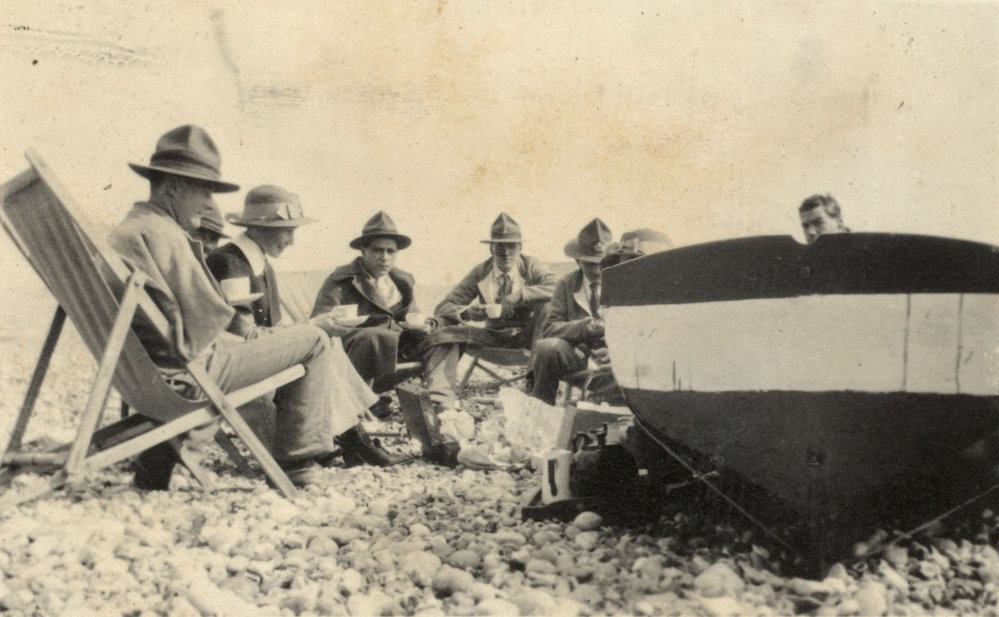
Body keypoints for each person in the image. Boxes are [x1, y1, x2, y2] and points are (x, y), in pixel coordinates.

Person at [109, 125, 381, 489]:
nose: (209, 205)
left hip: (144, 375)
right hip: (189, 374)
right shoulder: (166, 236)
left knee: (294, 338)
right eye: (204, 192)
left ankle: (157, 462)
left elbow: (185, 320)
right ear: (174, 187)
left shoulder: (130, 230)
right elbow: (206, 322)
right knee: (315, 339)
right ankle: (297, 461)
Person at [206, 185, 401, 467]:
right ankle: (354, 439)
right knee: (319, 336)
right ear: (261, 228)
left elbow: (268, 331)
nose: (292, 241)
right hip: (232, 367)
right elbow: (243, 337)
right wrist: (311, 326)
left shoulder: (259, 264)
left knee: (325, 337)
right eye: (288, 231)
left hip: (249, 361)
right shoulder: (229, 263)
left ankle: (352, 437)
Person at [428, 213, 556, 401]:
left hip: (528, 338)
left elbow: (558, 289)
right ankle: (440, 396)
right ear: (491, 248)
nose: (506, 253)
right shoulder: (480, 272)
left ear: (520, 247)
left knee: (550, 306)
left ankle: (534, 380)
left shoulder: (531, 266)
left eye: (511, 246)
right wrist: (467, 312)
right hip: (493, 337)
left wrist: (521, 295)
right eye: (500, 246)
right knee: (447, 328)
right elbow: (443, 307)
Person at [310, 211, 433, 389]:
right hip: (356, 351)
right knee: (374, 337)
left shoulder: (401, 281)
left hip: (395, 348)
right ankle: (363, 399)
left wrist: (425, 326)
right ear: (363, 250)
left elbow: (414, 316)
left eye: (390, 251)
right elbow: (322, 322)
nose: (384, 257)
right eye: (378, 250)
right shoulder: (341, 279)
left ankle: (439, 399)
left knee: (444, 336)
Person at [529, 218, 613, 405]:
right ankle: (541, 406)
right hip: (578, 355)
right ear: (578, 260)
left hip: (614, 358)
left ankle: (597, 406)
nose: (597, 271)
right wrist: (582, 328)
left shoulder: (620, 283)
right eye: (590, 264)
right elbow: (550, 328)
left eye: (601, 263)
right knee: (547, 348)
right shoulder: (567, 284)